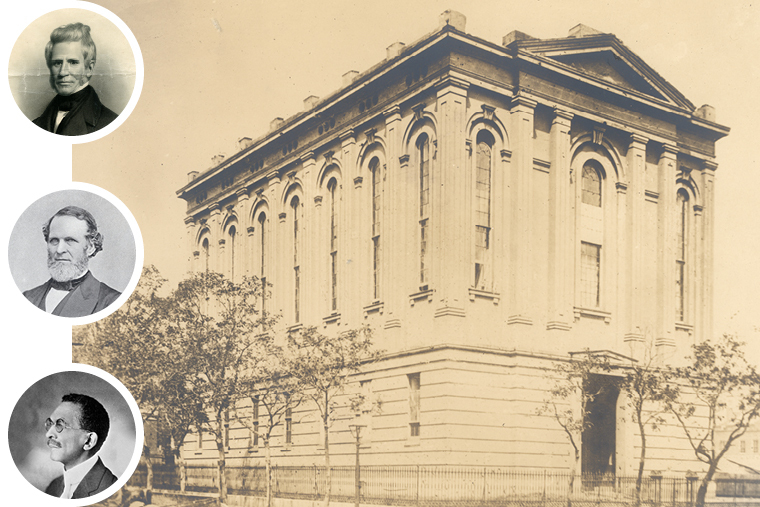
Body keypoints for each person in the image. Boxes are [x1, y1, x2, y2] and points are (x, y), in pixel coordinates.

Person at [23, 206, 121, 317]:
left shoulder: (112, 301)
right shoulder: (27, 297)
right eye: (54, 241)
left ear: (90, 247)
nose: (59, 250)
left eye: (70, 240)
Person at [33, 23, 118, 136]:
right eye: (57, 63)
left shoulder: (111, 123)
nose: (63, 72)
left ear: (89, 68)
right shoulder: (35, 124)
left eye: (73, 62)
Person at [44, 393, 118, 499]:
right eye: (50, 424)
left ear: (89, 441)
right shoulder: (53, 487)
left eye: (60, 425)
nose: (48, 434)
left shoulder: (112, 492)